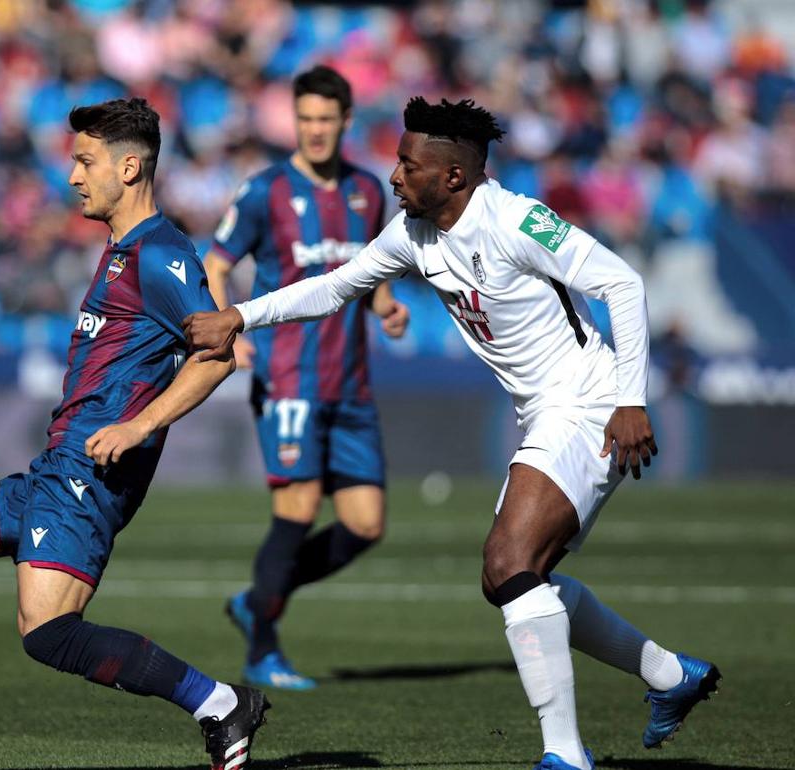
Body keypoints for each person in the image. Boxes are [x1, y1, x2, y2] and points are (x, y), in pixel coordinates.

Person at [184, 97, 719, 770]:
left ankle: (565, 756)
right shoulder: (414, 233)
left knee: (507, 564)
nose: (395, 176)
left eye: (409, 165)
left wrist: (630, 399)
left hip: (587, 402)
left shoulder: (519, 220)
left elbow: (623, 284)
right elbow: (334, 286)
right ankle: (672, 676)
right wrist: (239, 315)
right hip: (544, 412)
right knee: (514, 580)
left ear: (454, 177)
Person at [0, 98, 269, 770]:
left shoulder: (161, 253)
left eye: (85, 161)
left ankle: (219, 704)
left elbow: (216, 353)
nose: (72, 175)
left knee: (46, 631)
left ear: (129, 167)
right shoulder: (122, 251)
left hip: (90, 472)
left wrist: (140, 424)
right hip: (58, 463)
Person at [204, 65, 409, 690]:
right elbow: (216, 264)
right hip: (290, 379)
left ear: (346, 122)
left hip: (352, 382)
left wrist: (386, 308)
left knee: (365, 524)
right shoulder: (265, 190)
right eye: (306, 119)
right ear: (294, 121)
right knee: (294, 512)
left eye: (326, 120)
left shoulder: (369, 192)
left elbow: (368, 273)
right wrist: (228, 333)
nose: (315, 131)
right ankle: (263, 647)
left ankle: (254, 600)